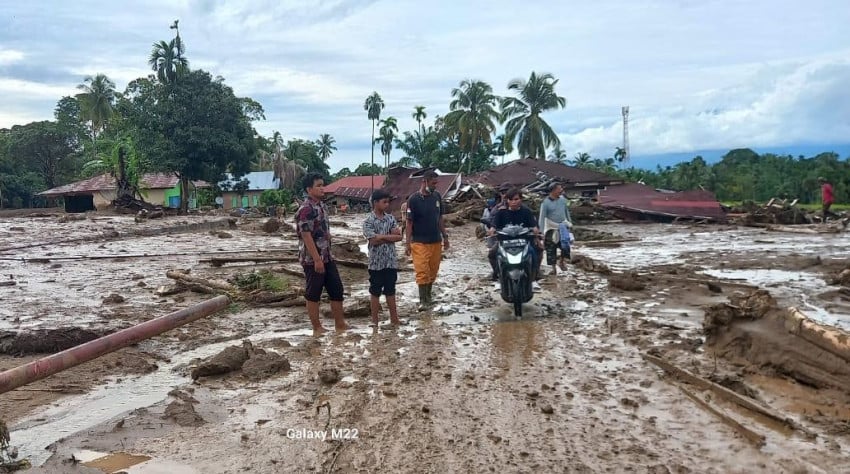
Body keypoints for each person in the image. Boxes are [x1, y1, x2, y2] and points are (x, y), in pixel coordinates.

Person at [295, 172, 349, 336]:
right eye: (318, 185)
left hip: (327, 256)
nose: (322, 188)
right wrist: (317, 259)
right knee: (313, 293)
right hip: (313, 259)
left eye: (322, 185)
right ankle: (317, 327)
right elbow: (306, 235)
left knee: (336, 289)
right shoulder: (305, 209)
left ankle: (340, 324)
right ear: (309, 189)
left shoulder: (322, 206)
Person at [405, 170, 449, 311]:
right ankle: (423, 301)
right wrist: (407, 243)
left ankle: (429, 298)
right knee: (422, 271)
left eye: (436, 183)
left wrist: (445, 236)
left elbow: (440, 218)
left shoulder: (436, 197)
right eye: (433, 183)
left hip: (435, 240)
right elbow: (409, 223)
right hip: (419, 242)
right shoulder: (413, 200)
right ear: (424, 182)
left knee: (433, 270)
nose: (435, 186)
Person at [363, 189, 403, 327]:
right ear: (375, 203)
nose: (387, 204)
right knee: (375, 291)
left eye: (388, 202)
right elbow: (373, 241)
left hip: (390, 261)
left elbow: (399, 237)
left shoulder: (390, 218)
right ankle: (374, 321)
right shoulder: (368, 221)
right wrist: (388, 237)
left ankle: (394, 319)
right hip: (375, 263)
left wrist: (381, 236)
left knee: (391, 290)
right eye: (384, 202)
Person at [488, 188, 542, 288]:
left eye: (516, 199)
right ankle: (498, 276)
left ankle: (534, 278)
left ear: (521, 200)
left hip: (524, 242)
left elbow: (534, 225)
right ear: (507, 200)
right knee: (492, 253)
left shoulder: (526, 212)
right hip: (504, 242)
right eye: (511, 199)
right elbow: (493, 225)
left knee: (537, 251)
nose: (513, 202)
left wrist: (535, 230)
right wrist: (492, 230)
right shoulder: (501, 213)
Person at [538, 183, 573, 275]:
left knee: (565, 246)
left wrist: (570, 224)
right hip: (551, 227)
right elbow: (542, 218)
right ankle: (553, 268)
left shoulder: (562, 200)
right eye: (559, 189)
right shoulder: (545, 203)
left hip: (563, 226)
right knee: (550, 248)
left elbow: (566, 212)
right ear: (553, 190)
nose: (561, 190)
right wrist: (540, 233)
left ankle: (562, 261)